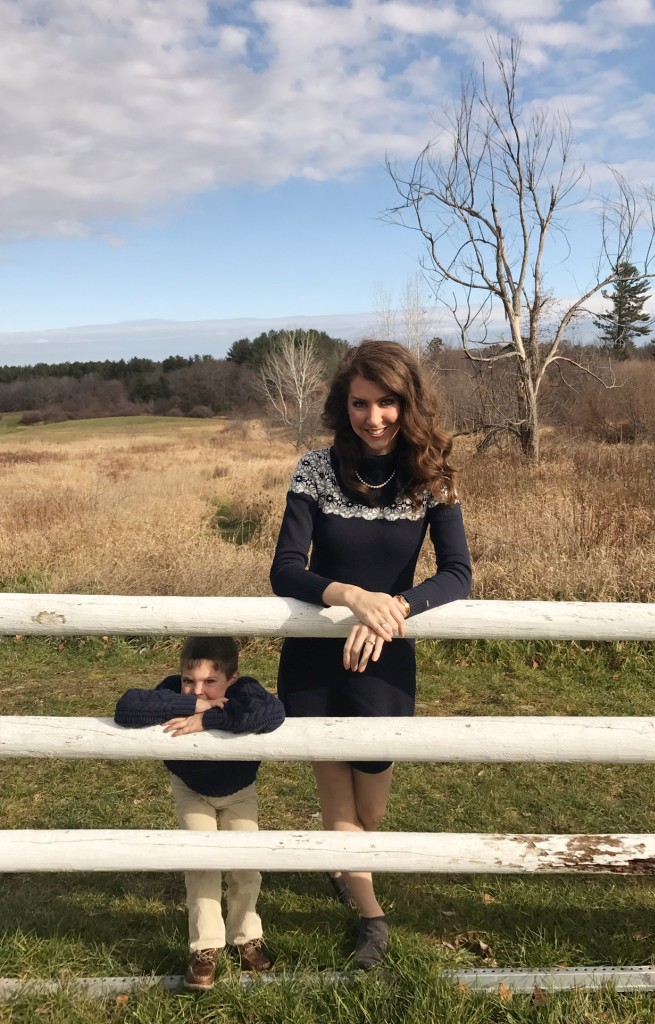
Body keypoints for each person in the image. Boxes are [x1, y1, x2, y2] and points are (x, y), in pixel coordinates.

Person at [270, 339, 472, 969]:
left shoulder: (431, 474)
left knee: (372, 804)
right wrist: (355, 597)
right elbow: (284, 571)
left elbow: (459, 574)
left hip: (385, 655)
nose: (375, 417)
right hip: (315, 657)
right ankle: (372, 919)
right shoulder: (313, 469)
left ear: (407, 402)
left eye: (388, 402)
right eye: (361, 403)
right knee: (338, 802)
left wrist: (395, 611)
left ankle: (348, 867)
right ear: (343, 404)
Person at [114, 635, 285, 991]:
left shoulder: (246, 690)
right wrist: (191, 706)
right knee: (202, 862)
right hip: (191, 790)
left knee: (245, 863)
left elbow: (271, 713)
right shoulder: (173, 692)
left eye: (210, 683)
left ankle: (246, 936)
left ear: (232, 679)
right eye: (189, 680)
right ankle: (204, 948)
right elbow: (127, 707)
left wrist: (210, 721)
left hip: (239, 791)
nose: (196, 690)